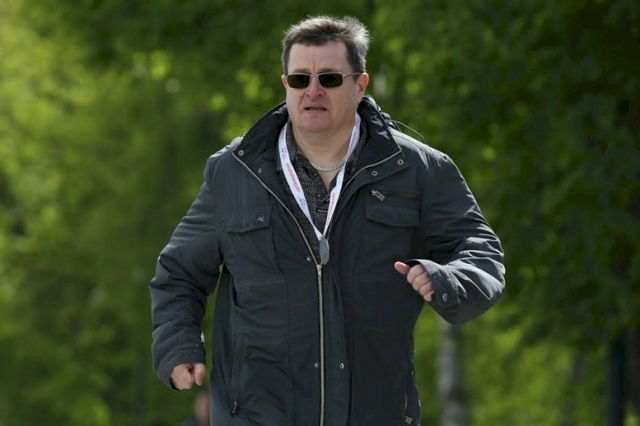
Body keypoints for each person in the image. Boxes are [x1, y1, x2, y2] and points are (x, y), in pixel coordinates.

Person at [150, 15, 505, 426]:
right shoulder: (235, 171)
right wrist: (178, 346)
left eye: (330, 79)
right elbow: (178, 273)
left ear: (360, 85)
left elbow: (482, 252)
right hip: (257, 415)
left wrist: (446, 279)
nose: (313, 90)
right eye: (300, 79)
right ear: (286, 85)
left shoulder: (418, 170)